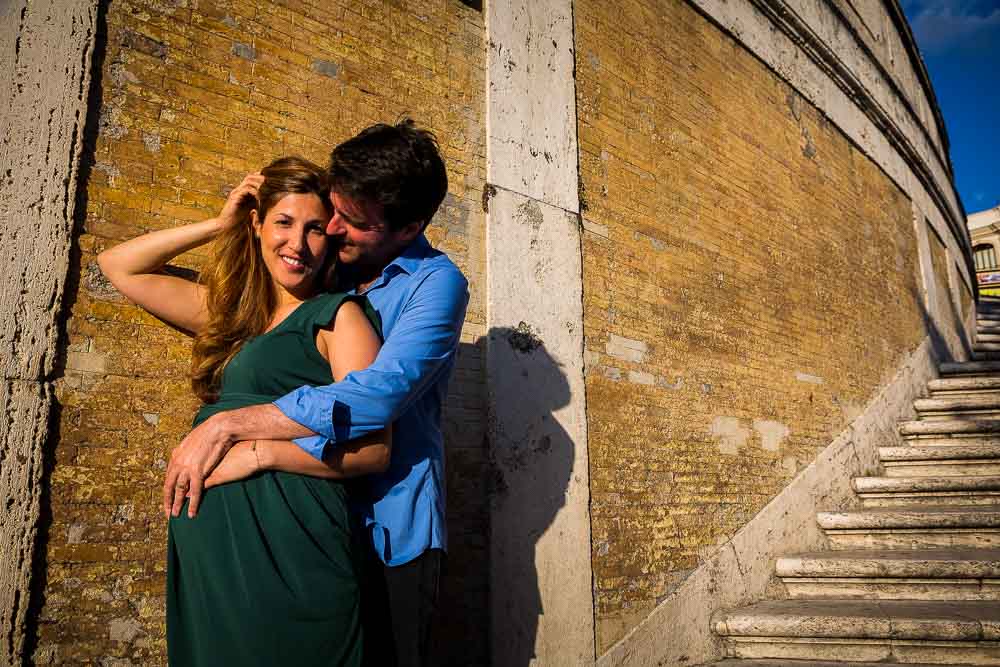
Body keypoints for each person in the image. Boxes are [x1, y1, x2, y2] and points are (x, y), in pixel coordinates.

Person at [161, 119, 469, 666]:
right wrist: (224, 226)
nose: (333, 229)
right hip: (315, 523)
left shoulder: (436, 284)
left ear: (407, 228)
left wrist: (237, 427)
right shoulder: (332, 272)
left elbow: (375, 393)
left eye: (353, 222)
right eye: (336, 210)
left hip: (390, 528)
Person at [98, 157, 392, 666]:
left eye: (315, 229)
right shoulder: (233, 317)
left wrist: (259, 453)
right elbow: (120, 265)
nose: (297, 245)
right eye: (283, 222)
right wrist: (220, 225)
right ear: (256, 224)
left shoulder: (337, 316)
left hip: (291, 548)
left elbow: (373, 451)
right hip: (212, 557)